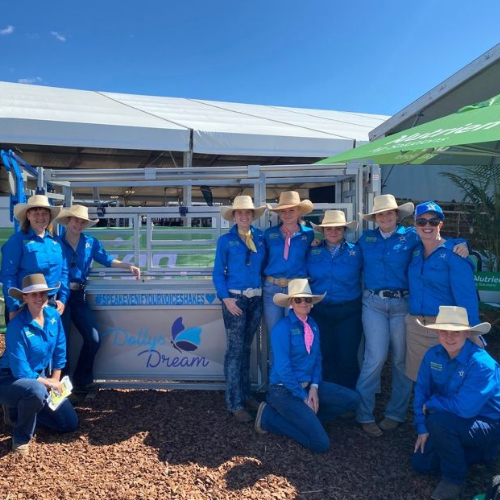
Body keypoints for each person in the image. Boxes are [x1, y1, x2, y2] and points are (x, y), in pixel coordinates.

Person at [355, 195, 469, 438]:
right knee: (374, 358)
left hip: (403, 304)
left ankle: (395, 414)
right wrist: (317, 242)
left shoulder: (411, 236)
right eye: (380, 213)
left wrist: (462, 242)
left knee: (401, 360)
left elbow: (437, 240)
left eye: (389, 212)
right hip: (373, 303)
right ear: (374, 218)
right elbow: (347, 253)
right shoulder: (366, 239)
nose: (385, 217)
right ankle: (364, 413)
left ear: (397, 215)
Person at [253, 279, 360, 452]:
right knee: (320, 444)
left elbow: (317, 359)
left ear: (312, 303)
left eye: (307, 299)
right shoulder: (282, 329)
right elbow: (283, 369)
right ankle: (269, 418)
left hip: (308, 385)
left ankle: (306, 419)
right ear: (291, 303)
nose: (303, 303)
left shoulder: (313, 326)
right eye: (298, 299)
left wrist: (314, 388)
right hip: (284, 391)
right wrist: (303, 397)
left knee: (353, 400)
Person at [412, 306, 500, 500]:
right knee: (421, 464)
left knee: (438, 423)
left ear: (467, 334)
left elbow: (465, 409)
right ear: (437, 332)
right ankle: (482, 455)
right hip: (454, 419)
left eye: (456, 332)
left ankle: (454, 480)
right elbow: (421, 390)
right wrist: (421, 427)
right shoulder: (433, 355)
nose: (449, 337)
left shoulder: (481, 364)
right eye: (444, 331)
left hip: (489, 423)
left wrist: (433, 403)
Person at [54, 205, 141, 393]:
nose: (79, 224)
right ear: (68, 221)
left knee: (93, 339)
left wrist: (128, 266)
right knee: (61, 342)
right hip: (59, 297)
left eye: (82, 222)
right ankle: (62, 389)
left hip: (79, 296)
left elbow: (106, 259)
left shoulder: (90, 242)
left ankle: (82, 380)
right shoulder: (55, 243)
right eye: (76, 220)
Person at [0, 274, 79, 455]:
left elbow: (60, 348)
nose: (39, 298)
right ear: (25, 298)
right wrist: (48, 384)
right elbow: (20, 371)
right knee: (36, 390)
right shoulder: (16, 326)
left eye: (43, 293)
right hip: (9, 379)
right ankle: (21, 437)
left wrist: (55, 379)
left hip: (40, 379)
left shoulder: (53, 316)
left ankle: (19, 411)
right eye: (34, 294)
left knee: (69, 423)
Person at [406, 201, 482, 383]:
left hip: (444, 329)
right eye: (422, 221)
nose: (427, 226)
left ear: (440, 225)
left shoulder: (455, 254)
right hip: (416, 326)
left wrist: (473, 332)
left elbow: (467, 296)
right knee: (419, 379)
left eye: (433, 222)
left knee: (444, 381)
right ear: (415, 225)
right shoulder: (415, 251)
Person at [212, 196, 267, 422]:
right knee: (235, 351)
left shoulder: (261, 238)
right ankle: (234, 402)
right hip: (235, 300)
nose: (244, 216)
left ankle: (245, 393)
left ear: (253, 215)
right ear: (233, 216)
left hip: (256, 298)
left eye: (248, 212)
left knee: (246, 348)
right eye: (240, 213)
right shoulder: (226, 241)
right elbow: (218, 272)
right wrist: (226, 299)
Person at [307, 210, 363, 389]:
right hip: (319, 311)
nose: (333, 232)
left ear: (344, 230)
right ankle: (328, 397)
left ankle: (348, 397)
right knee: (324, 355)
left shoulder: (357, 251)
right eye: (329, 228)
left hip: (348, 312)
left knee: (347, 357)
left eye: (338, 228)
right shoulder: (311, 251)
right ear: (323, 231)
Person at [1, 194, 69, 321]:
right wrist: (14, 306)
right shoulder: (17, 241)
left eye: (44, 213)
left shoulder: (57, 241)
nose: (41, 217)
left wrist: (62, 299)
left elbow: (64, 272)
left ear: (49, 216)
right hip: (23, 305)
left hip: (52, 304)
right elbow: (8, 275)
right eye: (36, 213)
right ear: (28, 215)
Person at [263, 191, 314, 334]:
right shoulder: (269, 234)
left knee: (296, 331)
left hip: (297, 289)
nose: (287, 214)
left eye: (291, 210)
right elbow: (263, 259)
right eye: (283, 211)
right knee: (275, 332)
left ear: (299, 212)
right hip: (272, 288)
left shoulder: (309, 234)